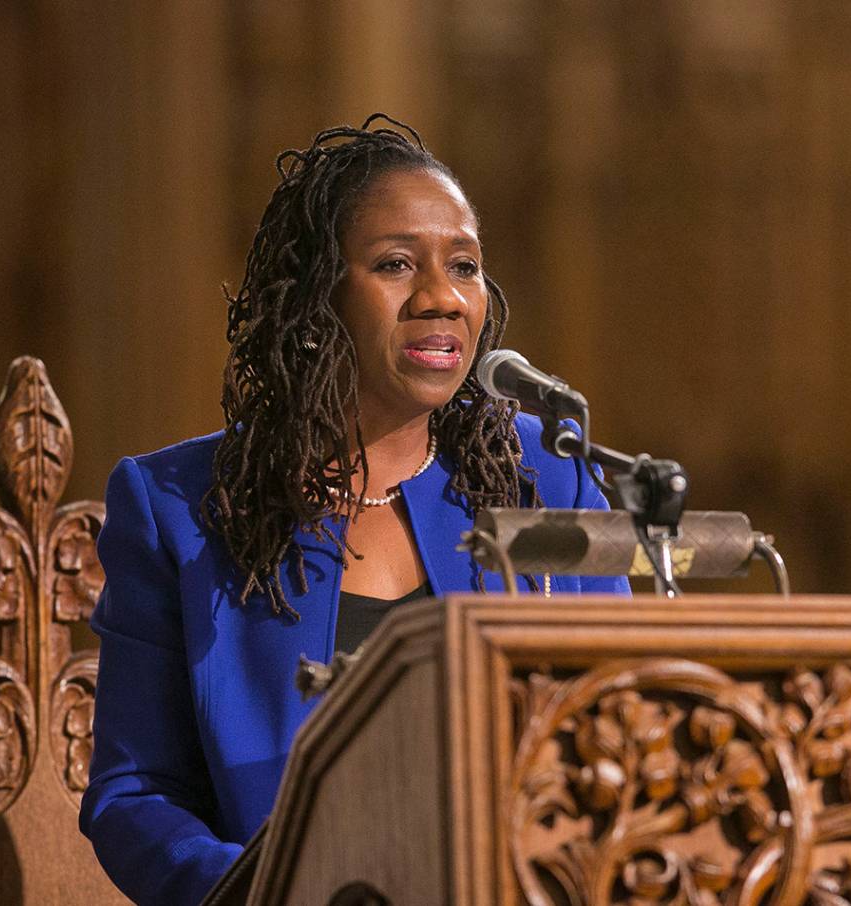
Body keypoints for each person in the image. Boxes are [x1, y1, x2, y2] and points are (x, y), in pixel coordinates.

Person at [79, 115, 629, 905]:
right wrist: (265, 891)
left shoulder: (547, 474)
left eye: (465, 266)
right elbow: (135, 793)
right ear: (317, 297)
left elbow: (623, 724)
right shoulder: (180, 508)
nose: (441, 297)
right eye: (396, 264)